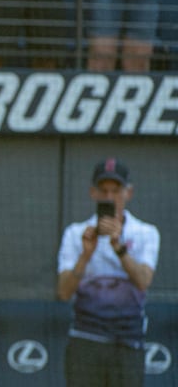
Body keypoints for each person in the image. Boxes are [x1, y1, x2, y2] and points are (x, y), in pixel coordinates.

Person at [56, 158, 160, 387]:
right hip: (85, 340)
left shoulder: (146, 233)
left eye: (116, 191)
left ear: (128, 193)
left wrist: (119, 247)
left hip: (127, 341)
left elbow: (143, 282)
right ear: (93, 193)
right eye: (104, 191)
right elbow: (63, 292)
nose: (110, 198)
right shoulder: (76, 234)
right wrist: (86, 255)